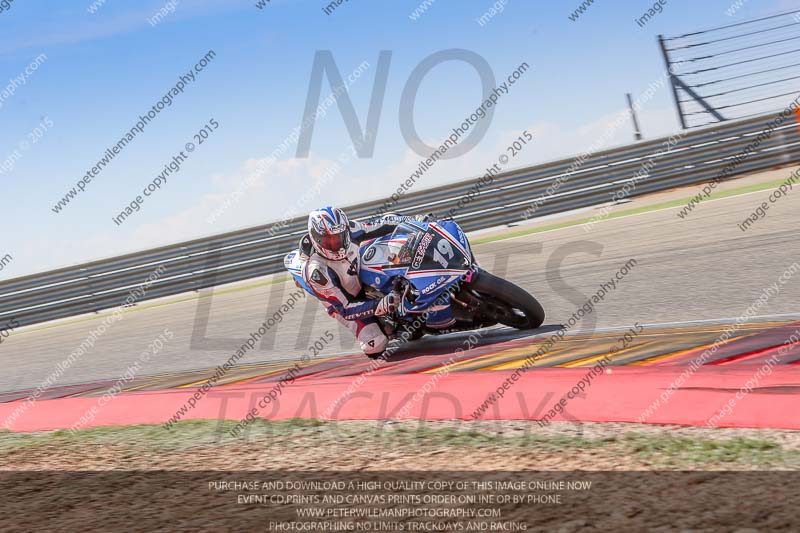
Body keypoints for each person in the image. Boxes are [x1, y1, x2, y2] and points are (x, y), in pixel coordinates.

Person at [294, 206, 424, 357]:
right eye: (330, 241)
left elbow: (382, 223)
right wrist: (379, 305)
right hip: (345, 303)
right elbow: (346, 309)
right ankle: (386, 325)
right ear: (317, 239)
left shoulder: (350, 230)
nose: (337, 244)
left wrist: (415, 221)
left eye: (340, 237)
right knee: (375, 345)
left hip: (360, 276)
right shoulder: (317, 272)